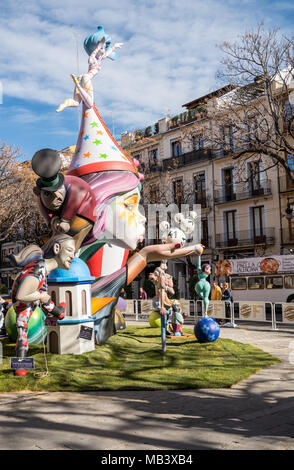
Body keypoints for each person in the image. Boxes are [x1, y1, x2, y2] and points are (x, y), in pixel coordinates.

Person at [9, 234, 75, 376]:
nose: (73, 256)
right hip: (23, 304)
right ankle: (20, 364)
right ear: (57, 248)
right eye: (70, 250)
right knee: (23, 328)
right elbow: (21, 295)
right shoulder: (37, 271)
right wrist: (40, 296)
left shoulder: (43, 270)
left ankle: (58, 311)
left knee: (24, 327)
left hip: (27, 303)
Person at [32, 148, 97, 251]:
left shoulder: (75, 187)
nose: (57, 197)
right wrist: (52, 220)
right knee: (56, 240)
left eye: (58, 190)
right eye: (48, 194)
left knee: (70, 242)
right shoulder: (40, 196)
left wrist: (65, 219)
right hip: (60, 215)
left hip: (83, 211)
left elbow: (78, 196)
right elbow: (44, 209)